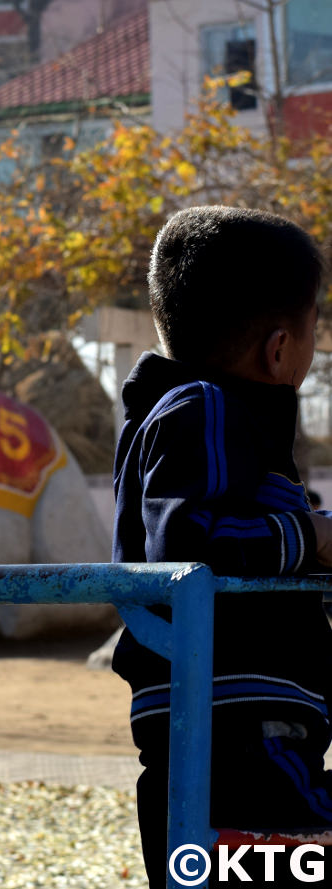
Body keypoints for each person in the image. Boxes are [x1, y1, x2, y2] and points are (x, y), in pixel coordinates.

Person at [111, 206, 332, 887]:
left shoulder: (204, 414)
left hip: (231, 729)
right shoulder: (204, 408)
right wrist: (312, 537)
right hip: (240, 731)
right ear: (278, 348)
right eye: (315, 323)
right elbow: (186, 542)